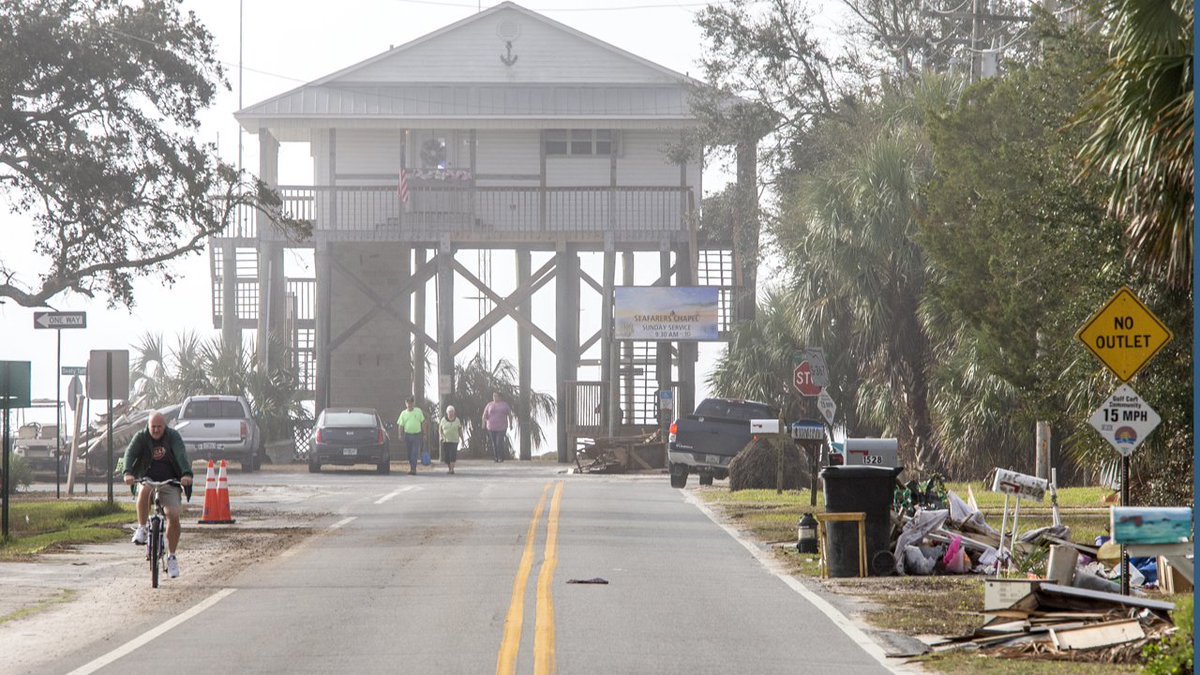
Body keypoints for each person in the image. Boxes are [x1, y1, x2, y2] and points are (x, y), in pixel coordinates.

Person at [122, 411, 194, 579]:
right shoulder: (141, 437)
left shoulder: (173, 437)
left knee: (173, 515)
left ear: (165, 426)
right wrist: (128, 473)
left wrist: (186, 474)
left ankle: (172, 557)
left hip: (170, 482)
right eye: (152, 427)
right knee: (144, 490)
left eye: (159, 427)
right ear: (148, 426)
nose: (155, 430)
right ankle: (142, 529)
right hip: (147, 479)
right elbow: (129, 453)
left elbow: (181, 454)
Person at [397, 397, 427, 475]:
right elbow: (400, 425)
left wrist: (424, 434)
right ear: (405, 404)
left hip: (417, 435)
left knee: (414, 452)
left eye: (410, 403)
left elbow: (423, 422)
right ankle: (412, 467)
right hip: (408, 435)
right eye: (408, 403)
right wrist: (400, 434)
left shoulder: (418, 411)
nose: (409, 405)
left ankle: (413, 469)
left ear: (413, 403)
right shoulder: (403, 413)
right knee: (409, 453)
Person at [482, 391, 513, 462]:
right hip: (491, 427)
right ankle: (496, 457)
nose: (494, 397)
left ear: (500, 397)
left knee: (499, 442)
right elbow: (484, 414)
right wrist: (483, 423)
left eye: (496, 396)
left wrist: (511, 424)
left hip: (502, 427)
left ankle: (500, 457)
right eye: (493, 396)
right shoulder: (489, 404)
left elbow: (510, 415)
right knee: (494, 443)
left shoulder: (504, 405)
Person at [439, 405, 462, 474]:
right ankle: (449, 468)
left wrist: (462, 439)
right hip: (446, 440)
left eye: (452, 412)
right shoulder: (443, 420)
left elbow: (460, 430)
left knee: (452, 454)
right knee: (447, 456)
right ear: (447, 413)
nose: (451, 413)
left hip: (454, 440)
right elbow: (440, 429)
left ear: (454, 412)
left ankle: (452, 469)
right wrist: (441, 436)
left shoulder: (457, 420)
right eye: (449, 412)